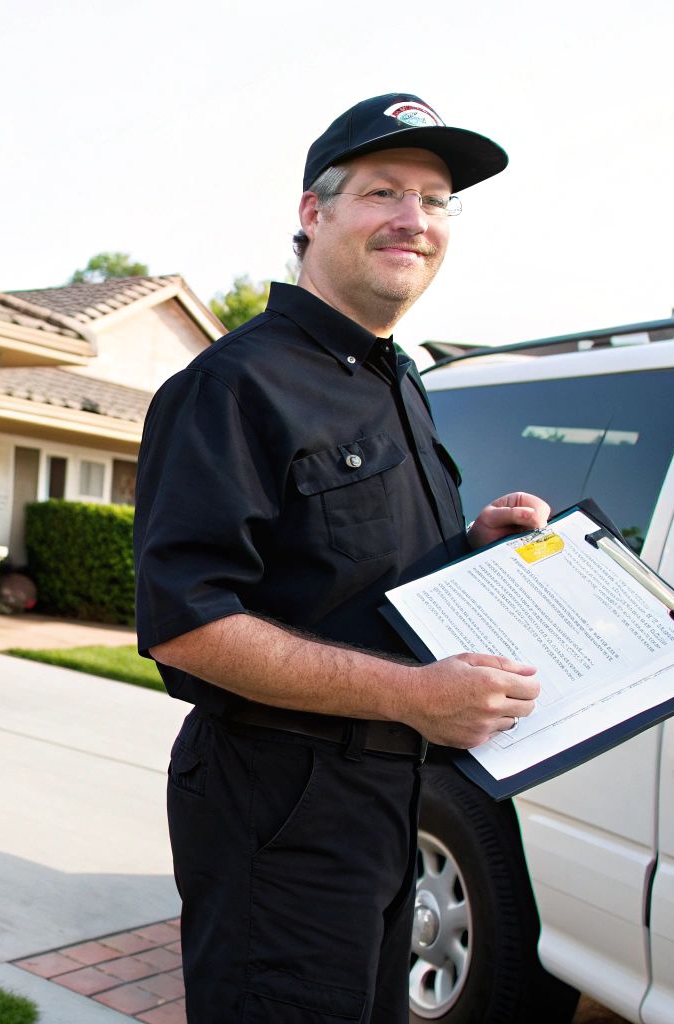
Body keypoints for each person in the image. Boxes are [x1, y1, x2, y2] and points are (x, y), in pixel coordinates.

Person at [133, 93, 552, 1023]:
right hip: (281, 805)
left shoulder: (396, 381)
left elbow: (357, 577)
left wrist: (474, 549)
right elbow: (186, 627)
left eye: (437, 200)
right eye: (383, 192)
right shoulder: (232, 385)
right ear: (313, 213)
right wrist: (417, 697)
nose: (414, 220)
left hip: (393, 797)